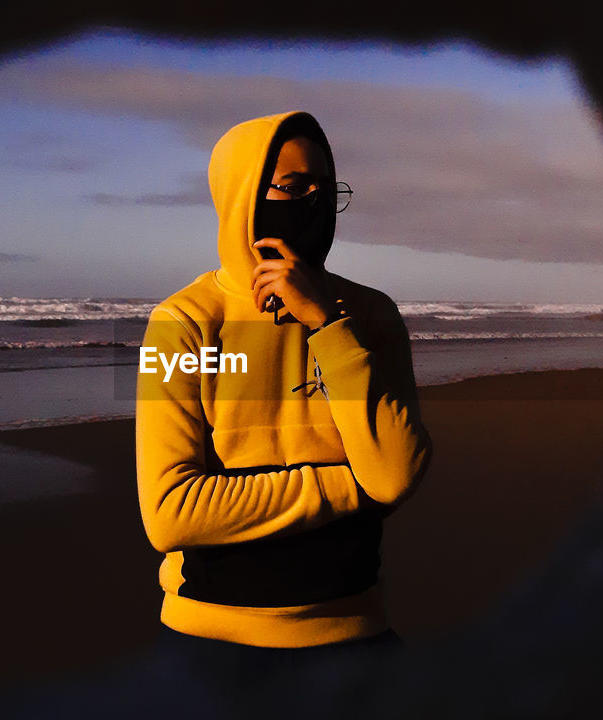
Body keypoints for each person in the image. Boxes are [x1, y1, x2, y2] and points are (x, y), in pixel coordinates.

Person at [134, 110, 432, 693]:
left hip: (355, 639)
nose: (315, 203)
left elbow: (395, 477)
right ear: (244, 195)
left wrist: (326, 324)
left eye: (327, 187)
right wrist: (351, 485)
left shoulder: (371, 316)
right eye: (294, 188)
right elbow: (170, 512)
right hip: (210, 650)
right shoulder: (181, 325)